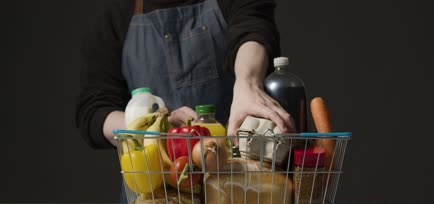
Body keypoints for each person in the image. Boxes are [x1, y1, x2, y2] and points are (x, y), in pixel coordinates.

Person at [76, 0, 295, 150]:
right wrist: (151, 129)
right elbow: (94, 109)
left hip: (240, 180)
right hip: (154, 192)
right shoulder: (115, 14)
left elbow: (253, 27)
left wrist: (247, 86)